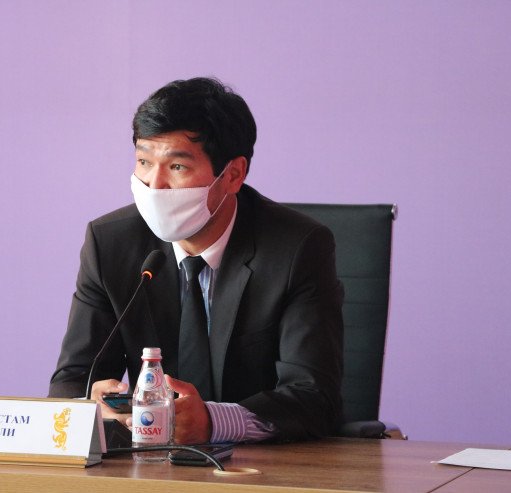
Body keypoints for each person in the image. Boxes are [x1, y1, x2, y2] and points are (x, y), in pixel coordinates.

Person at [48, 77, 344, 444]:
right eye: (143, 161)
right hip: (146, 459)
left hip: (262, 464)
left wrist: (215, 422)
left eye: (176, 167)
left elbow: (314, 398)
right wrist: (91, 408)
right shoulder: (110, 243)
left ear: (232, 175)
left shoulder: (297, 248)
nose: (154, 184)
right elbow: (72, 381)